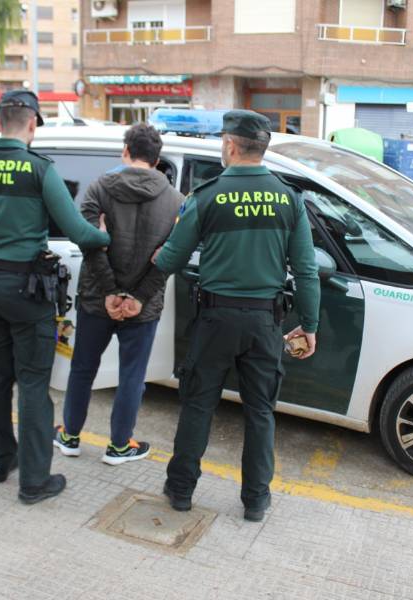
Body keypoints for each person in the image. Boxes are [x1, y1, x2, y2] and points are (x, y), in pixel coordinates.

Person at [0, 90, 111, 505]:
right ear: (32, 124)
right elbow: (79, 233)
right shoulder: (38, 170)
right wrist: (107, 235)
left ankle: (1, 460)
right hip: (27, 291)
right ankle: (34, 481)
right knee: (33, 383)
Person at [152, 110, 320, 522]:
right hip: (265, 323)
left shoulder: (207, 196)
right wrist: (309, 325)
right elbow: (307, 270)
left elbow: (171, 259)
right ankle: (256, 501)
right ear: (262, 148)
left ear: (229, 145)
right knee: (261, 412)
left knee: (198, 405)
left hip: (215, 320)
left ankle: (180, 491)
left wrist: (157, 255)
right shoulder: (289, 198)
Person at [54, 124, 182, 465]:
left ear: (126, 151)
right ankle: (120, 445)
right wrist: (138, 297)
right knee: (132, 376)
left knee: (82, 369)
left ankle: (69, 436)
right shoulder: (176, 201)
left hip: (98, 300)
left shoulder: (98, 189)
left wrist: (110, 291)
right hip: (143, 307)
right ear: (157, 160)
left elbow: (88, 242)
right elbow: (170, 258)